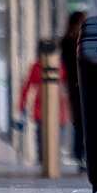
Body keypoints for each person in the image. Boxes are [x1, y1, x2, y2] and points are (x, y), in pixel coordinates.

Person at [20, 39, 69, 170]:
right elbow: (27, 86)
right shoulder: (38, 67)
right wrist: (22, 105)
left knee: (56, 138)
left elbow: (66, 86)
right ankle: (45, 162)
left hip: (58, 110)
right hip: (41, 110)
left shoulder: (58, 66)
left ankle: (52, 161)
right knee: (41, 138)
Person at [59, 10, 88, 170]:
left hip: (82, 83)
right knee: (79, 120)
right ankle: (79, 155)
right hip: (75, 85)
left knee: (84, 121)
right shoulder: (69, 42)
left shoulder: (81, 40)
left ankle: (82, 154)